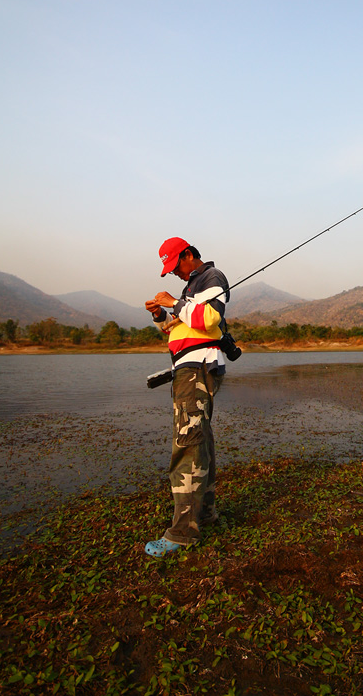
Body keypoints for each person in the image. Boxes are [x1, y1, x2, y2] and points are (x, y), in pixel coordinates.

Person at [144, 237, 230, 558]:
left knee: (188, 441)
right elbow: (174, 330)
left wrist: (175, 302)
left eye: (176, 266)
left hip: (199, 365)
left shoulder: (211, 277)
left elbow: (210, 318)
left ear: (189, 255)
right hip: (190, 365)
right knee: (201, 439)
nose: (176, 274)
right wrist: (160, 314)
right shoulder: (188, 291)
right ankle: (205, 514)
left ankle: (182, 533)